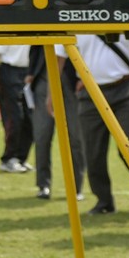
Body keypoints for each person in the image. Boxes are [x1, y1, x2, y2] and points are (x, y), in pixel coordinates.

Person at [57, 34, 129, 217]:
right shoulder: (71, 21)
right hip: (89, 91)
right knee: (92, 150)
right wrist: (51, 94)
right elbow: (59, 57)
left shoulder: (117, 13)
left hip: (126, 89)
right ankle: (104, 201)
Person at [28, 45, 84, 200]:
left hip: (72, 80)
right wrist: (31, 72)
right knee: (42, 136)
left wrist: (82, 76)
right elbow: (35, 43)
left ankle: (76, 188)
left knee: (76, 138)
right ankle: (43, 185)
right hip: (44, 77)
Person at [0, 44, 33, 174]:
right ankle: (8, 159)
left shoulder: (36, 27)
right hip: (9, 73)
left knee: (30, 120)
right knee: (14, 119)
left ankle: (21, 158)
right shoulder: (10, 27)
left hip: (28, 73)